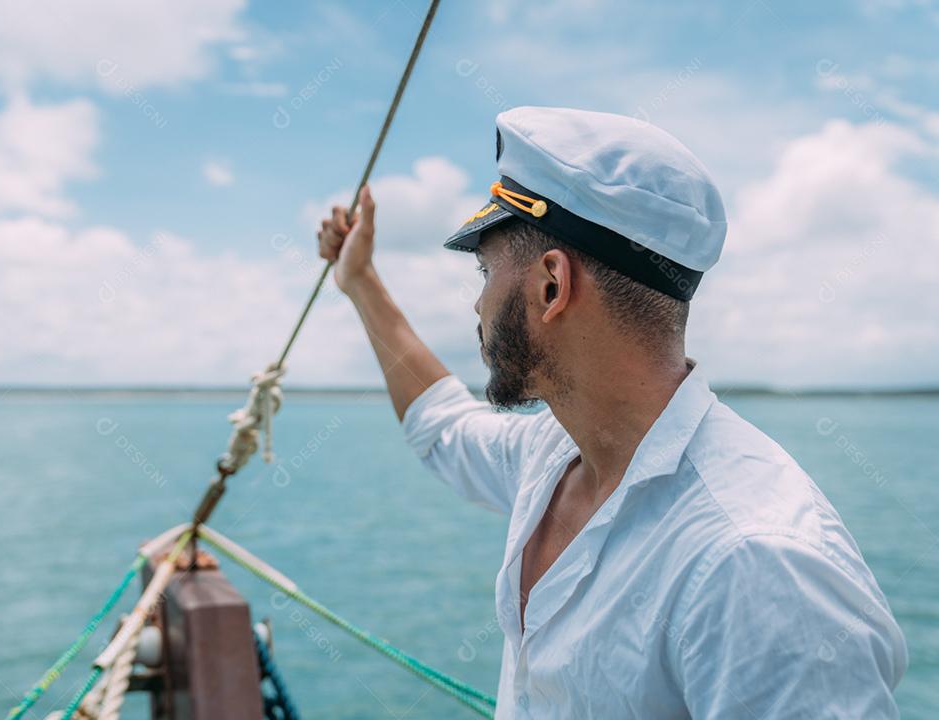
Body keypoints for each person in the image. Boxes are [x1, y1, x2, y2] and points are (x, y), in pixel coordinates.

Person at [316, 107, 907, 719]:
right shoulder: (561, 451)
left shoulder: (756, 565)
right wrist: (360, 282)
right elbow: (444, 430)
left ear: (552, 285)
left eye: (485, 270)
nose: (477, 302)